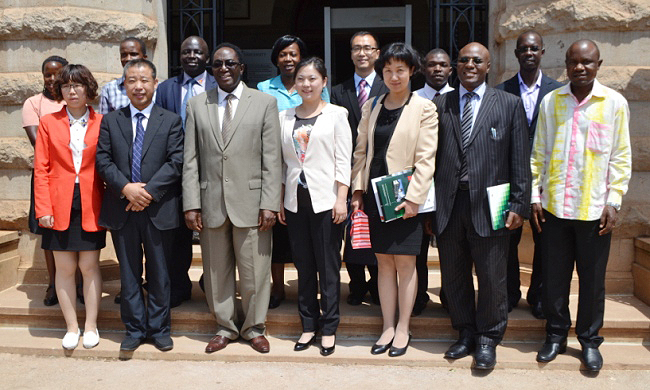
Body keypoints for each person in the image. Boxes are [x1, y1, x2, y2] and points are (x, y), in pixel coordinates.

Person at [531, 40, 632, 372]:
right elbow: (538, 155)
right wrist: (535, 195)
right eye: (574, 62)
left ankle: (589, 341)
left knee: (592, 282)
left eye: (587, 62)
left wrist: (614, 202)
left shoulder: (614, 103)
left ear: (598, 64)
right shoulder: (551, 102)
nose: (580, 68)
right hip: (555, 209)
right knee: (555, 279)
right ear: (566, 64)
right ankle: (556, 335)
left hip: (595, 212)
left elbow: (620, 158)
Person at [432, 42, 530, 370]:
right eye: (464, 60)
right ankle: (464, 331)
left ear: (488, 66)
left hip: (492, 206)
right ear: (455, 67)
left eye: (477, 60)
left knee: (491, 276)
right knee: (455, 274)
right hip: (449, 204)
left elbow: (519, 158)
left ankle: (488, 338)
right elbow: (430, 158)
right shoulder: (440, 104)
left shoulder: (508, 104)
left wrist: (520, 202)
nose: (470, 65)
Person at [183, 43, 282, 354]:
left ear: (241, 67)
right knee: (216, 271)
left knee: (254, 270)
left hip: (252, 204)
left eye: (229, 63)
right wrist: (191, 203)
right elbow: (190, 159)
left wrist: (269, 202)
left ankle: (254, 327)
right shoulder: (197, 105)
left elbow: (272, 157)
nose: (223, 69)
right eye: (217, 65)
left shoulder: (264, 103)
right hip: (211, 201)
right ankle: (225, 326)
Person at [350, 42, 438, 357]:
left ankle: (403, 327)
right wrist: (357, 190)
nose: (394, 76)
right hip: (376, 198)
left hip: (405, 199)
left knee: (405, 264)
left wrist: (415, 198)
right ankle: (387, 325)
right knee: (383, 264)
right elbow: (362, 151)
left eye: (400, 69)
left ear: (412, 71)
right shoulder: (371, 105)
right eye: (388, 70)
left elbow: (426, 158)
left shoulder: (424, 107)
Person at [96, 59, 183, 352]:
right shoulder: (111, 121)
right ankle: (134, 329)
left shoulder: (170, 120)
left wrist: (148, 192)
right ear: (125, 85)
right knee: (129, 274)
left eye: (144, 80)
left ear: (155, 84)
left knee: (160, 272)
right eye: (132, 80)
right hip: (122, 209)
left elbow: (176, 161)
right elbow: (103, 161)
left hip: (159, 209)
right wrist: (126, 188)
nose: (138, 86)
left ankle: (159, 329)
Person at [278, 57, 352, 356]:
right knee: (304, 265)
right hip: (295, 200)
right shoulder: (284, 117)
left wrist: (341, 198)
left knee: (328, 266)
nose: (306, 84)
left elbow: (343, 159)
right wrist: (280, 198)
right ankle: (308, 324)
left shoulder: (337, 114)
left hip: (326, 200)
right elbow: (282, 164)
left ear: (323, 81)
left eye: (312, 78)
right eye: (301, 79)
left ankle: (330, 327)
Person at [33, 64, 106, 350]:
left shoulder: (102, 122)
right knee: (64, 268)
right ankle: (72, 327)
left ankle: (91, 326)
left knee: (89, 266)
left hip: (91, 200)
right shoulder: (49, 122)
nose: (72, 91)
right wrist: (43, 208)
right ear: (59, 90)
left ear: (89, 89)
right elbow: (41, 168)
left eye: (77, 85)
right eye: (66, 86)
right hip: (57, 201)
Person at [257, 35, 329, 309]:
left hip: (310, 168)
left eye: (293, 54)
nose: (288, 59)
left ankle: (314, 288)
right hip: (279, 164)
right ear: (276, 58)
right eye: (283, 54)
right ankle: (278, 288)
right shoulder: (265, 87)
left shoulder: (315, 87)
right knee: (278, 236)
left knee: (308, 243)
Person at [495, 31, 563, 317]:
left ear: (542, 52)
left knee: (545, 240)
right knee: (506, 240)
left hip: (546, 179)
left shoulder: (558, 91)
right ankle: (510, 292)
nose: (529, 53)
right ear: (516, 54)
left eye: (534, 48)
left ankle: (537, 296)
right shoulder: (501, 91)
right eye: (523, 49)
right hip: (507, 177)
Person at [154, 35, 216, 308]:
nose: (192, 56)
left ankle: (213, 286)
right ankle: (179, 287)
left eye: (198, 52)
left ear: (207, 57)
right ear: (179, 56)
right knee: (178, 234)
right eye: (186, 52)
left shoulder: (219, 84)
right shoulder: (166, 88)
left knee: (215, 231)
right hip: (175, 172)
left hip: (212, 170)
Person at [330, 31, 387, 307]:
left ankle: (377, 287)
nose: (362, 53)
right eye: (356, 48)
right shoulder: (338, 92)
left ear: (377, 53)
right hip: (345, 171)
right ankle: (356, 286)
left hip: (380, 172)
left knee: (375, 229)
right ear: (351, 53)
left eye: (367, 48)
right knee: (351, 232)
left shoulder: (389, 88)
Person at [22, 55, 69, 307]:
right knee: (49, 234)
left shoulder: (74, 100)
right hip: (46, 176)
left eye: (57, 74)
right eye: (47, 75)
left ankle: (77, 283)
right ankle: (53, 283)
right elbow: (39, 142)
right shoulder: (33, 103)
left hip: (74, 178)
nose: (52, 79)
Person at [413, 48, 454, 316]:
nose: (437, 69)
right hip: (419, 187)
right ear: (423, 69)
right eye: (431, 65)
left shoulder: (460, 99)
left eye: (443, 65)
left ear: (451, 70)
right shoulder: (412, 100)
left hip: (450, 188)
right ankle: (418, 298)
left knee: (451, 251)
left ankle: (451, 298)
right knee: (417, 251)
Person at [99, 37, 148, 115]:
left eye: (133, 54)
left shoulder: (158, 89)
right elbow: (104, 122)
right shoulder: (109, 89)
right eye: (124, 55)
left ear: (144, 58)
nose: (128, 59)